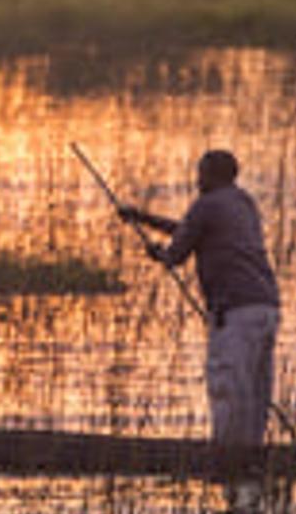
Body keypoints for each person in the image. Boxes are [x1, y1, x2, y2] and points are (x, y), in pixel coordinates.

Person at [117, 149, 281, 446]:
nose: (197, 180)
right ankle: (252, 456)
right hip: (266, 307)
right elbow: (191, 231)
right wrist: (142, 218)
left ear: (214, 176)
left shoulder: (206, 205)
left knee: (227, 386)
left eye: (201, 174)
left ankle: (227, 456)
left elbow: (176, 254)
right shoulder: (243, 203)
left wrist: (159, 254)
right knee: (255, 391)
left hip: (235, 311)